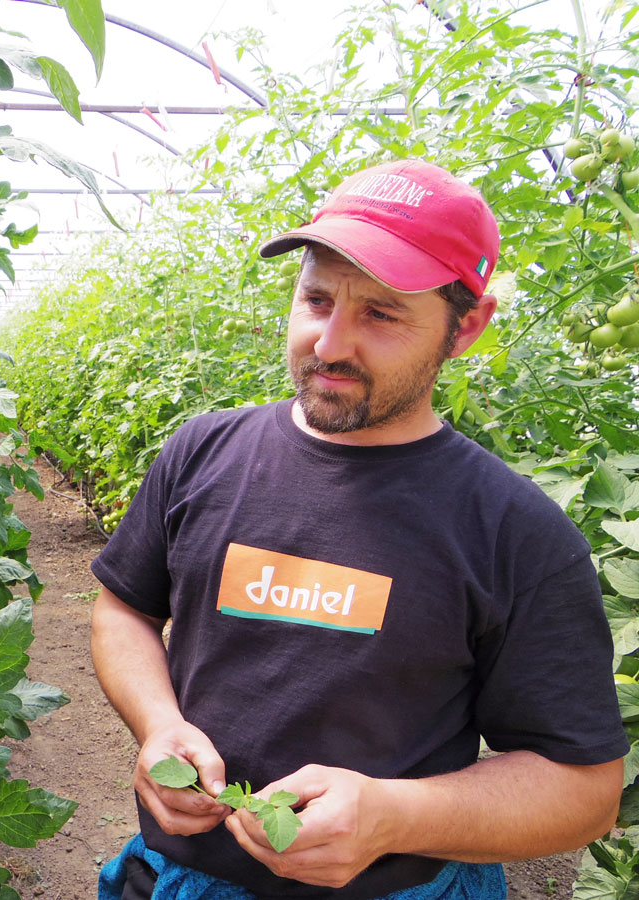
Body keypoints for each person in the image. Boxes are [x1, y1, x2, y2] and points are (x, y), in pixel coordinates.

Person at [90, 158, 627, 900]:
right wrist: (157, 724)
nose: (330, 344)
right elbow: (125, 608)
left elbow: (584, 789)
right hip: (180, 879)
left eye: (381, 314)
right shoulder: (203, 453)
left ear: (466, 327)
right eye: (316, 299)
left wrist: (393, 816)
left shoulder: (516, 533)